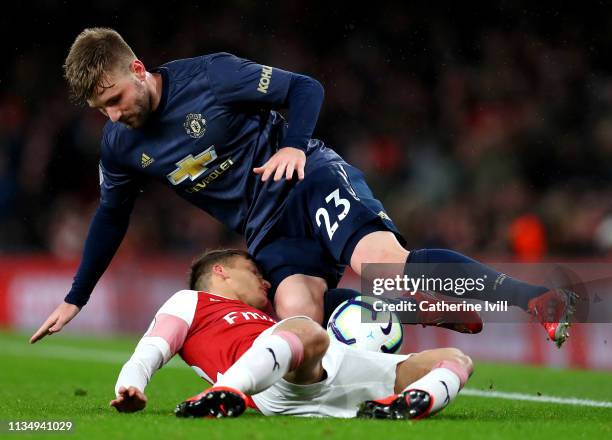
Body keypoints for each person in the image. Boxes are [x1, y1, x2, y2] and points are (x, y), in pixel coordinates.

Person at [31, 27, 575, 347]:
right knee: (295, 314)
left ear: (138, 68)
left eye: (115, 97)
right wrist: (77, 295)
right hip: (264, 227)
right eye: (101, 107)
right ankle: (414, 310)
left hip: (305, 179)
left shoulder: (210, 77)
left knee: (382, 264)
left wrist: (294, 144)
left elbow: (304, 88)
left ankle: (537, 299)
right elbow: (111, 215)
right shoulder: (119, 145)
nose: (113, 114)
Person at [110, 249, 473, 419]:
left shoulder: (269, 314)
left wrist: (428, 311)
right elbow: (150, 351)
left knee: (455, 360)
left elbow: (355, 304)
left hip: (323, 369)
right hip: (274, 386)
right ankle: (225, 392)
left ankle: (404, 406)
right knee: (307, 329)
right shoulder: (190, 301)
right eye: (253, 271)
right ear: (220, 271)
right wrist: (129, 386)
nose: (265, 280)